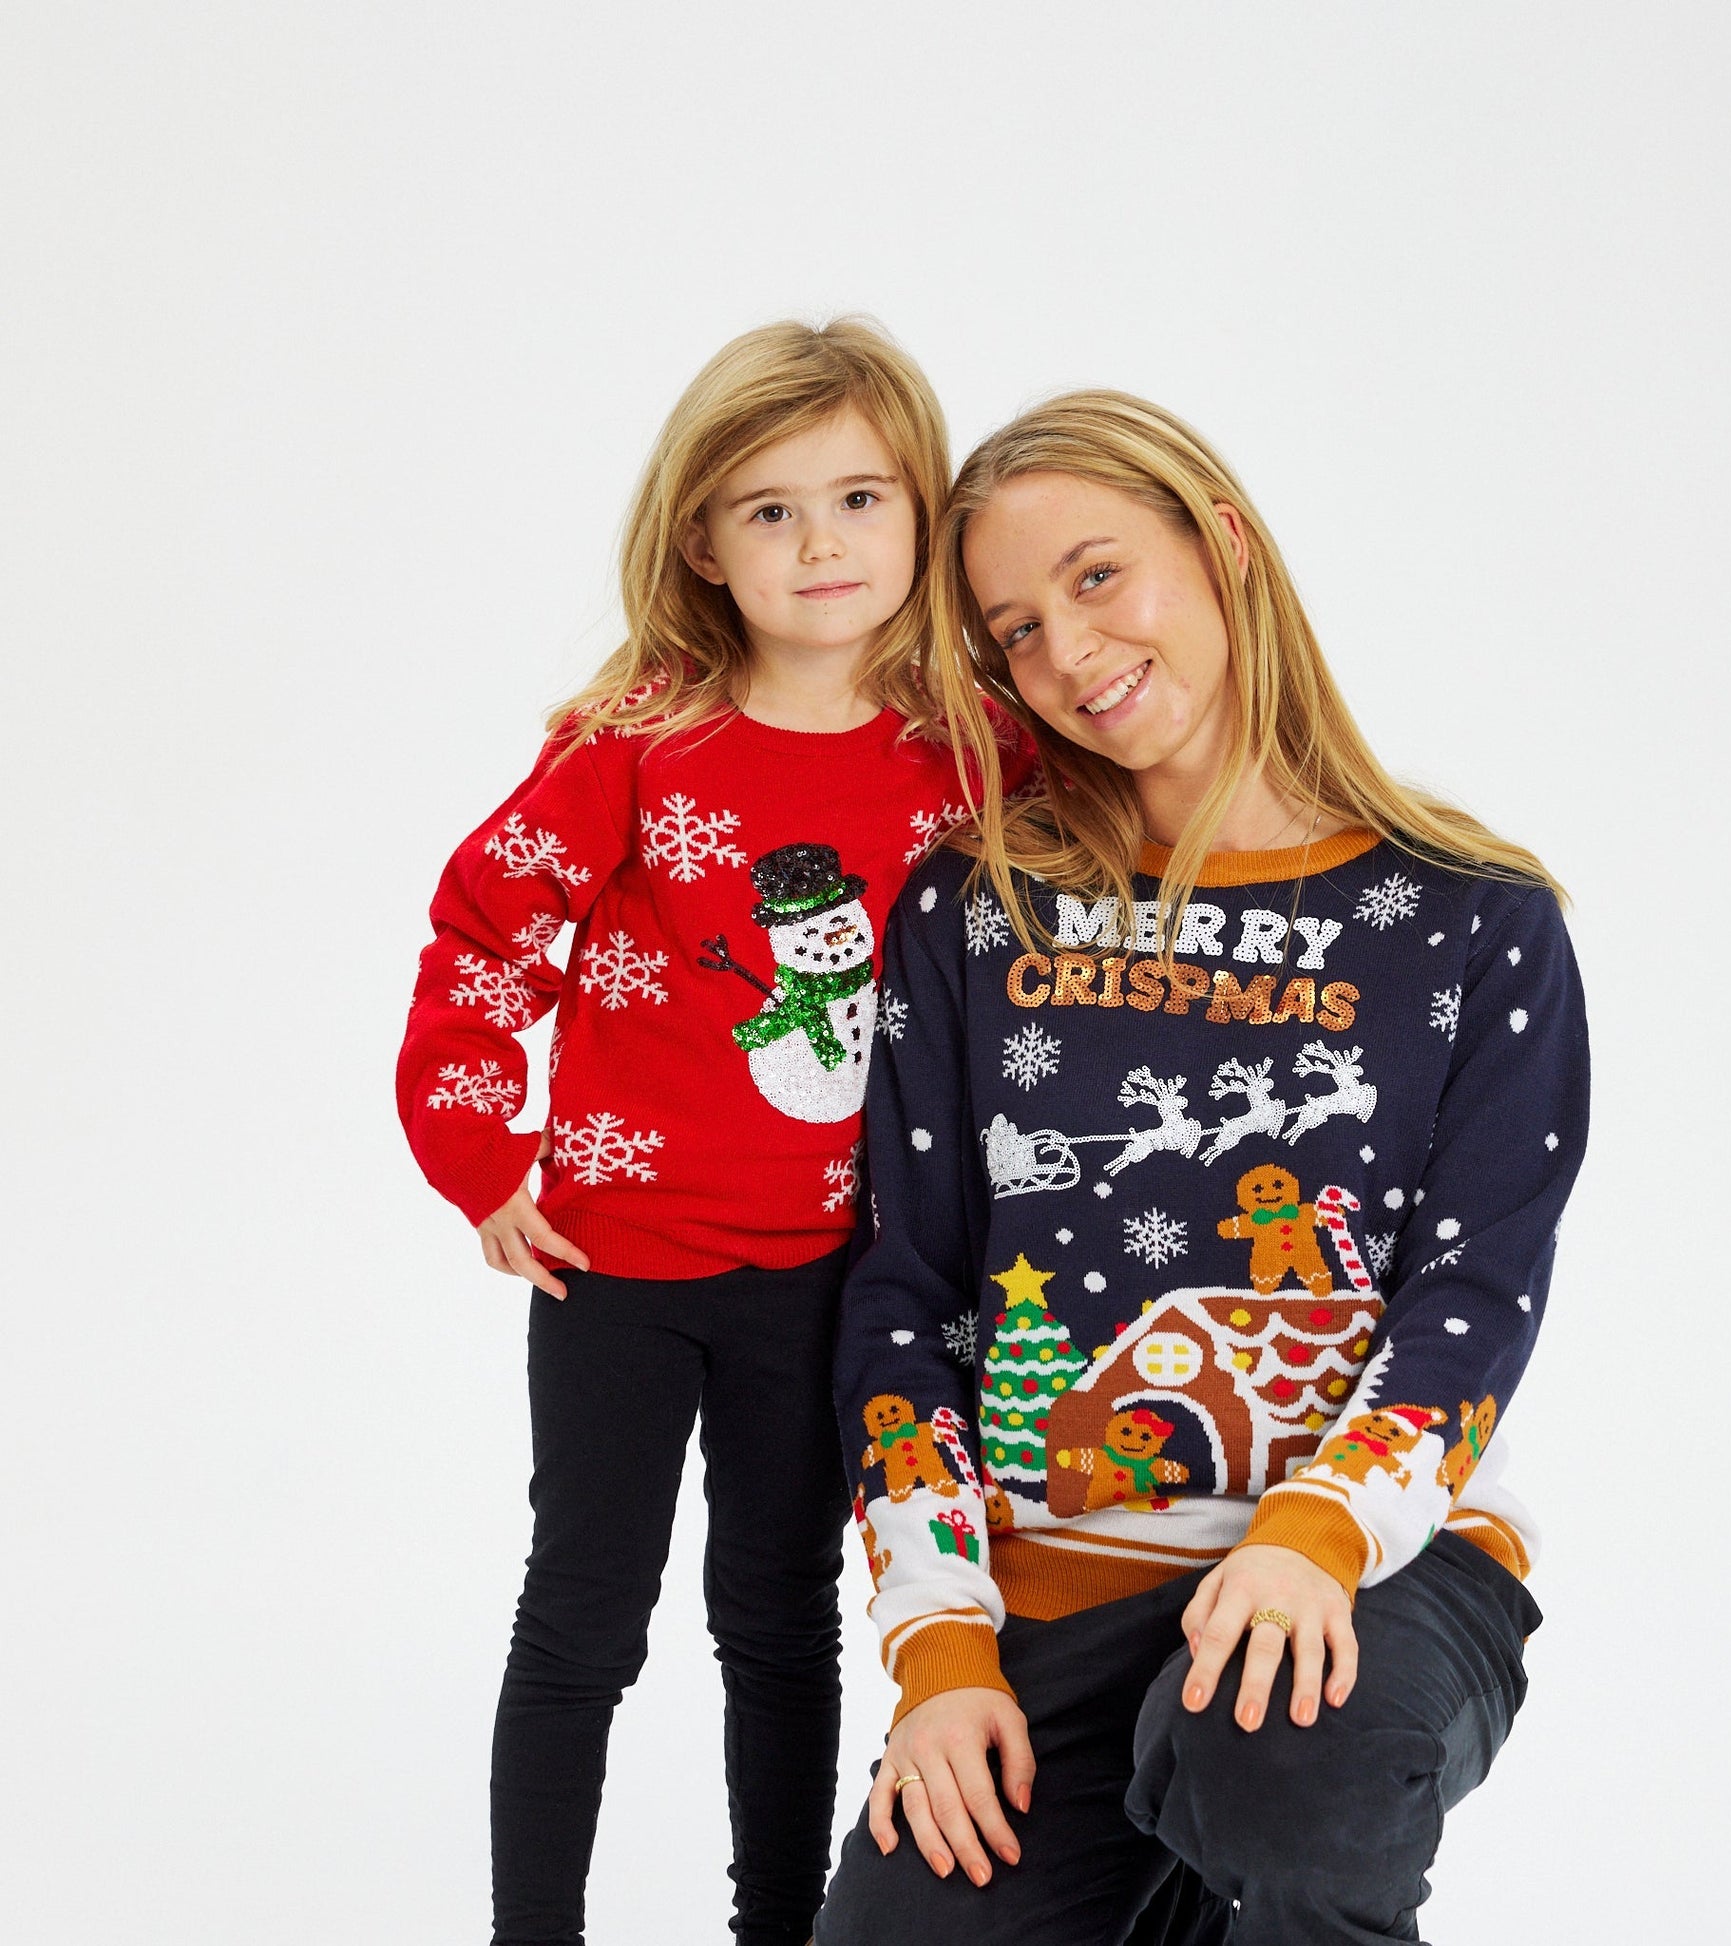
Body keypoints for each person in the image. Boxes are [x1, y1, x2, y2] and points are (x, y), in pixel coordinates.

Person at [817, 391, 1591, 1944]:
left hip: (1374, 1570)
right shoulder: (974, 911)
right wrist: (939, 1647)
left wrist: (1313, 1535)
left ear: (1222, 544)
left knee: (1279, 1760)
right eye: (1016, 629)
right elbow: (906, 1296)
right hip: (1054, 1595)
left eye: (1097, 576)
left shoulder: (1475, 920)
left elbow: (1472, 1301)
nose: (1067, 651)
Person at [396, 319, 1025, 1946]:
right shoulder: (635, 743)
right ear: (701, 541)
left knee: (780, 1617)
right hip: (613, 1262)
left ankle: (778, 1930)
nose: (820, 544)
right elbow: (486, 930)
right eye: (770, 510)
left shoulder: (974, 754)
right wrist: (482, 1157)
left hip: (833, 1273)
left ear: (922, 512)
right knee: (582, 1617)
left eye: (860, 499)